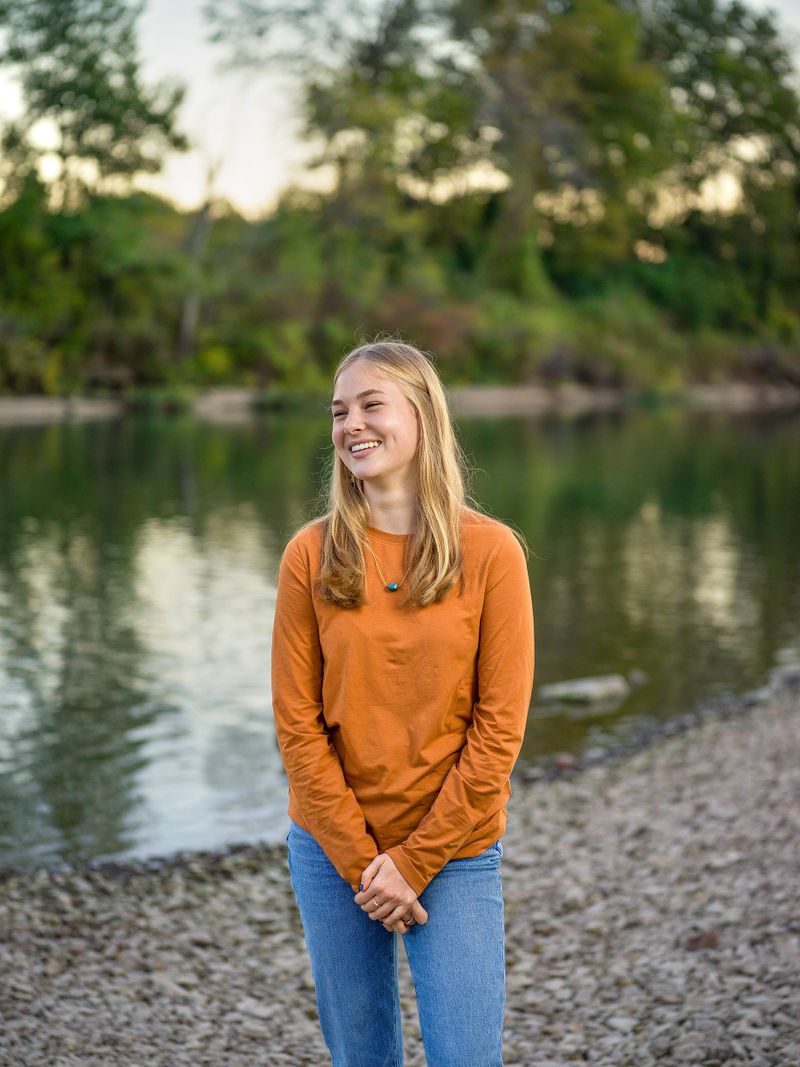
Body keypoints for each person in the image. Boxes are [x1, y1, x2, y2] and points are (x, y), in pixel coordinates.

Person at [271, 338, 535, 1066]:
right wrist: (365, 863)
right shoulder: (309, 555)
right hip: (332, 849)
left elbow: (499, 730)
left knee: (466, 1056)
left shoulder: (492, 553)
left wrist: (414, 862)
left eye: (371, 404)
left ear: (422, 415)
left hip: (454, 849)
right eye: (338, 411)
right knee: (362, 1055)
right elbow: (296, 728)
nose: (352, 423)